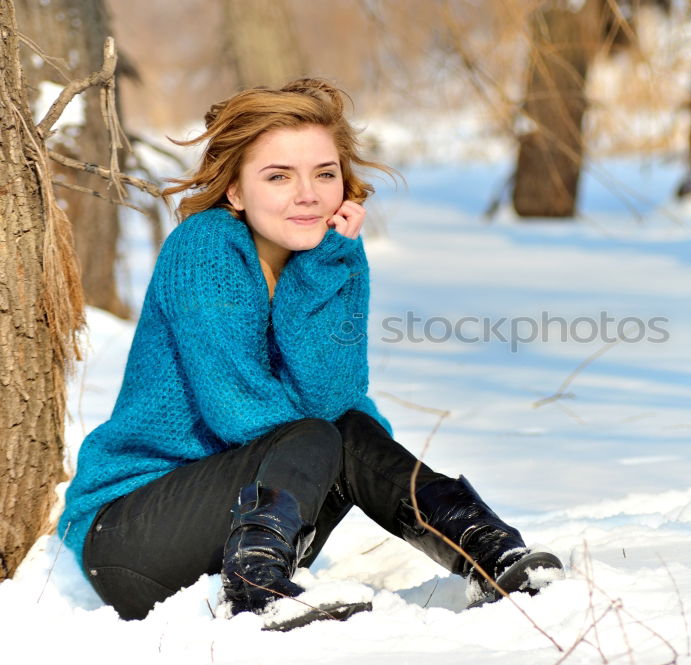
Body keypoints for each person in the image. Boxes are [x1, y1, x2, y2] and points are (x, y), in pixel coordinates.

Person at [58, 78, 562, 621]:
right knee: (329, 432)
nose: (309, 194)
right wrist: (337, 445)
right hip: (131, 533)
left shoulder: (332, 254)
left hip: (248, 527)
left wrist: (325, 269)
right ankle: (255, 593)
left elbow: (337, 397)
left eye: (325, 174)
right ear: (235, 191)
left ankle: (493, 555)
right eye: (279, 176)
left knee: (344, 425)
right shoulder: (204, 249)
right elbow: (240, 412)